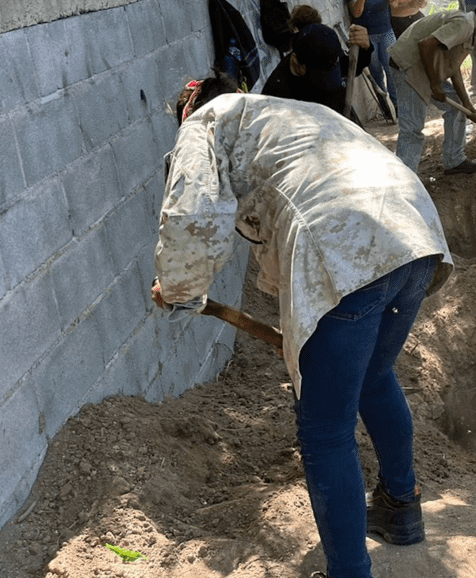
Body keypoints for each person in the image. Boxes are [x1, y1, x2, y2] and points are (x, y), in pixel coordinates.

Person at [151, 75, 453, 578]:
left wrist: (179, 287)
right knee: (374, 379)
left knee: (324, 433)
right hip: (414, 233)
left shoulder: (204, 121)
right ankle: (402, 506)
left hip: (346, 246)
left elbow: (193, 211)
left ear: (189, 108)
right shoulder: (290, 114)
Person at [387, 0, 476, 175]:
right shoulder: (464, 25)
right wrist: (434, 84)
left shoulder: (470, 30)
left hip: (425, 67)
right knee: (412, 129)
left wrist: (467, 104)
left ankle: (454, 160)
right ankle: (406, 180)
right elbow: (425, 45)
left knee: (457, 107)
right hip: (408, 65)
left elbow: (453, 67)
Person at [261, 4, 372, 120]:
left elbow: (352, 69)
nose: (326, 86)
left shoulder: (329, 54)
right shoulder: (276, 93)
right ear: (295, 62)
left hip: (341, 122)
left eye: (331, 71)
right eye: (320, 76)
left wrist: (365, 49)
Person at [343, 0, 397, 114]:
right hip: (368, 38)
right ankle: (386, 108)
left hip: (387, 32)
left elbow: (394, 4)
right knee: (376, 73)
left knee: (392, 71)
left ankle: (396, 106)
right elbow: (356, 13)